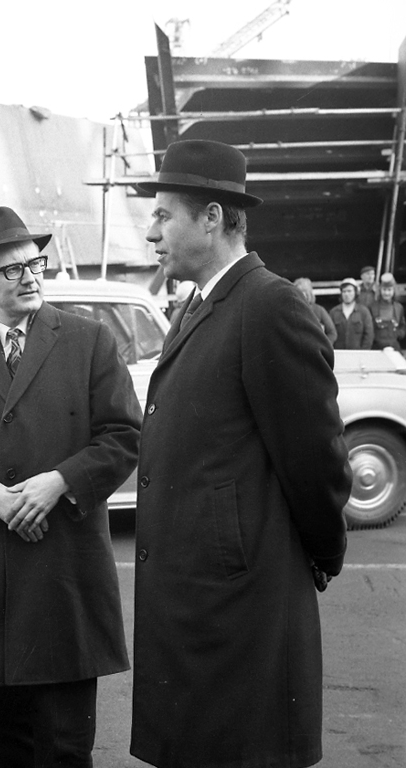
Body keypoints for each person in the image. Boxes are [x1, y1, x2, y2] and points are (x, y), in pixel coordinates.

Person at [132, 140, 351, 768]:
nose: (151, 232)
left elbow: (315, 459)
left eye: (163, 215)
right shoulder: (198, 304)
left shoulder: (269, 304)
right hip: (203, 599)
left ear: (212, 218)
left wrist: (323, 552)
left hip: (239, 605)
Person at [0, 206, 141, 768]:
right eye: (12, 269)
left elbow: (124, 435)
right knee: (13, 749)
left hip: (66, 572)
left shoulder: (90, 341)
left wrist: (60, 482)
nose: (29, 277)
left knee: (65, 751)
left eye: (34, 263)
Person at [329, 277, 374, 349]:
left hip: (358, 354)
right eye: (344, 291)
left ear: (355, 292)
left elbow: (369, 336)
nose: (346, 294)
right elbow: (329, 334)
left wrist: (363, 352)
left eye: (349, 291)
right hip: (339, 353)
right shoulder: (334, 312)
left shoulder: (363, 312)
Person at [293, 276, 337, 344]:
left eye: (304, 292)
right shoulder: (291, 310)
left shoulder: (319, 310)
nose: (301, 295)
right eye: (298, 292)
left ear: (309, 293)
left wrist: (324, 346)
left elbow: (332, 333)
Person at [369, 272, 405, 352]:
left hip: (394, 346)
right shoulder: (372, 307)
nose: (386, 293)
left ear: (394, 291)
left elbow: (402, 326)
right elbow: (368, 328)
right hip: (376, 346)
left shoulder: (398, 307)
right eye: (384, 290)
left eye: (389, 290)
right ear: (380, 290)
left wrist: (398, 334)